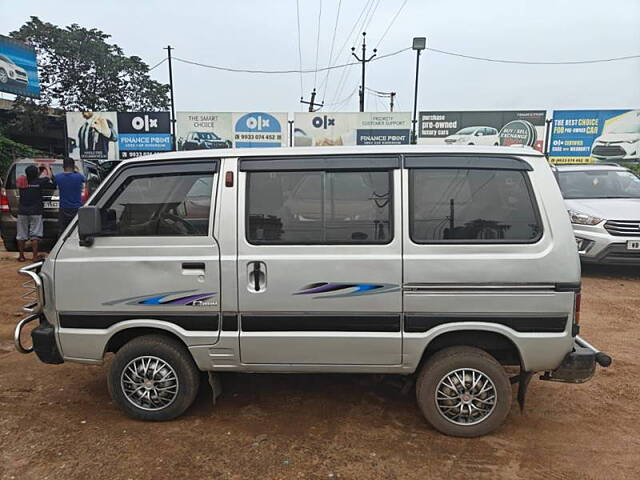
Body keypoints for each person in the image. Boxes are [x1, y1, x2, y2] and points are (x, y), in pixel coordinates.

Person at [16, 164, 55, 262]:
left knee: (21, 235)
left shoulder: (21, 181)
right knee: (35, 235)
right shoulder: (39, 182)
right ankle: (34, 257)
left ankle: (21, 256)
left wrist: (38, 169)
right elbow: (49, 177)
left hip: (22, 211)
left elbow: (29, 177)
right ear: (37, 174)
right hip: (36, 211)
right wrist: (46, 167)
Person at [55, 158, 86, 234]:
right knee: (76, 230)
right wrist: (76, 170)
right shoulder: (79, 177)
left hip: (63, 208)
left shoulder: (58, 177)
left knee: (62, 230)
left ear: (63, 166)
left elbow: (53, 181)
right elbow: (84, 179)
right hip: (76, 208)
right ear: (73, 166)